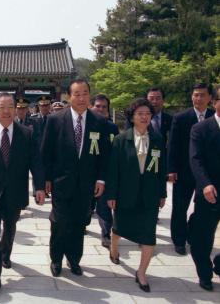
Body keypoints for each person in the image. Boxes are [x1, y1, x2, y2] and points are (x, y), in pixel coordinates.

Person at [0, 93, 45, 289]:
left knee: (9, 228)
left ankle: (6, 253)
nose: (6, 111)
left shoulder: (26, 133)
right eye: (1, 107)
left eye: (10, 107)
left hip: (15, 192)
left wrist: (39, 187)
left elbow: (36, 162)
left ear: (16, 109)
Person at [41, 79, 110, 278]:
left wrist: (101, 179)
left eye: (85, 93)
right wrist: (46, 179)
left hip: (87, 183)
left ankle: (74, 259)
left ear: (89, 95)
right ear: (69, 96)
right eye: (77, 94)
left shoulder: (100, 122)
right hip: (61, 182)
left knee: (79, 222)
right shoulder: (55, 120)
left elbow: (105, 155)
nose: (81, 98)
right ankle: (56, 258)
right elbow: (46, 152)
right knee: (60, 221)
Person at [106, 98, 167, 293]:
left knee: (149, 234)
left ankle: (141, 272)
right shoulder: (121, 140)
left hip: (149, 194)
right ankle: (114, 248)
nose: (144, 117)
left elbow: (161, 168)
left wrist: (162, 193)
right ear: (132, 117)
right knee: (119, 227)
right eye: (140, 114)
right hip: (126, 193)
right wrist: (111, 194)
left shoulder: (157, 139)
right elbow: (113, 170)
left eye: (148, 114)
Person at [168, 83, 214, 255]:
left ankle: (192, 234)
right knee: (180, 207)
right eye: (195, 95)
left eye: (202, 95)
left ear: (210, 98)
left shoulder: (213, 116)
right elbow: (172, 145)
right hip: (184, 170)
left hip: (206, 173)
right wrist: (171, 169)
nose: (198, 98)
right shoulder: (181, 118)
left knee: (203, 208)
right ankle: (178, 240)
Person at [188, 87, 220, 291]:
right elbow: (195, 159)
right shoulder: (201, 129)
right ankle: (205, 273)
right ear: (215, 102)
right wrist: (206, 183)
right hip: (210, 191)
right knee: (202, 237)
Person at [90, 94, 120, 248]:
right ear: (91, 107)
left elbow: (116, 151)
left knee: (104, 206)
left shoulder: (112, 128)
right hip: (87, 173)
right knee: (86, 206)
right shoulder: (86, 124)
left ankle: (106, 233)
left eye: (104, 107)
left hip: (106, 173)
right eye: (98, 106)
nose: (101, 109)